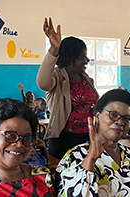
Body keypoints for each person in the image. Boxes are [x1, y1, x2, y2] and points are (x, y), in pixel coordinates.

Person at [55, 89, 130, 196]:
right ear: (98, 116)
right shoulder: (74, 157)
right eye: (113, 115)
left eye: (127, 119)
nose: (119, 122)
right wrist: (90, 159)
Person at [37, 17, 99, 159]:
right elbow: (42, 83)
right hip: (64, 140)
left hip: (88, 138)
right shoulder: (57, 78)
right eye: (83, 56)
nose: (87, 60)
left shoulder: (87, 79)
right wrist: (54, 49)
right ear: (72, 58)